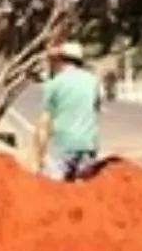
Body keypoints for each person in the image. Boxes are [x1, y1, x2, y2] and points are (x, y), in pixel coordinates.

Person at [33, 41, 101, 181]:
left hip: (62, 147)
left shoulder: (54, 84)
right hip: (88, 147)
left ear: (60, 60)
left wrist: (39, 157)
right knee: (83, 191)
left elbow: (45, 124)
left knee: (55, 192)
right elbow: (95, 110)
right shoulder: (93, 81)